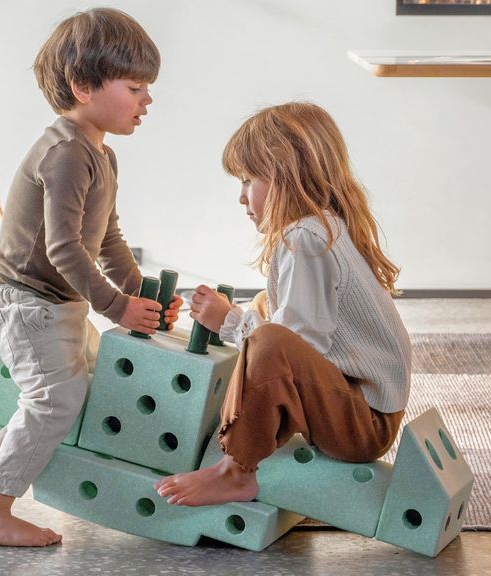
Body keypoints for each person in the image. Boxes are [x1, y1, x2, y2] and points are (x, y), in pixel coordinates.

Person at [0, 8, 182, 547]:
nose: (147, 100)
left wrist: (142, 295)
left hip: (55, 305)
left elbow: (107, 239)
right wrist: (117, 307)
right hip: (23, 303)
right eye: (135, 88)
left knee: (85, 385)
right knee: (56, 397)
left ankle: (3, 468)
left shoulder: (101, 155)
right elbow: (64, 248)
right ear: (83, 86)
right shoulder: (66, 152)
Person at [155, 102, 411, 507]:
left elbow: (296, 345)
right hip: (367, 410)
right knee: (265, 307)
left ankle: (236, 470)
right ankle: (253, 428)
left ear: (283, 177)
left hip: (363, 425)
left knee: (270, 340)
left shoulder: (305, 238)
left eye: (247, 180)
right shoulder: (325, 226)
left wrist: (229, 321)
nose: (241, 197)